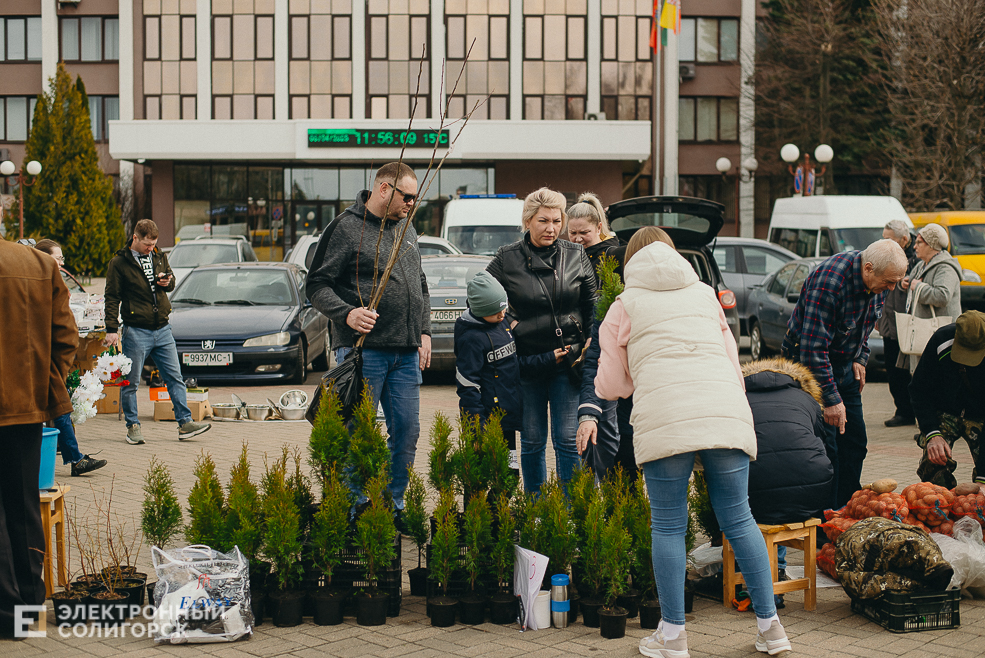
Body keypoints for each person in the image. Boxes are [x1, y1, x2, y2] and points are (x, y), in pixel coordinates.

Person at [596, 236, 790, 658]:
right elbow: (731, 361)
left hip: (666, 417)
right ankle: (771, 629)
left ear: (630, 262)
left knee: (668, 525)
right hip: (724, 408)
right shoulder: (705, 295)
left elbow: (612, 386)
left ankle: (673, 638)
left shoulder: (623, 306)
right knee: (740, 519)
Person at [306, 162, 431, 512]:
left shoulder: (407, 228)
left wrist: (424, 330)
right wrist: (347, 313)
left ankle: (393, 503)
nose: (411, 204)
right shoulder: (345, 228)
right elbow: (316, 285)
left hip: (406, 353)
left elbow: (419, 284)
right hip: (363, 354)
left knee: (407, 432)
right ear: (383, 189)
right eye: (407, 196)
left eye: (415, 198)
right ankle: (354, 505)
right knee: (356, 436)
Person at [781, 239, 907, 510]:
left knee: (855, 442)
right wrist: (830, 398)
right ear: (869, 268)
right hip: (808, 368)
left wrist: (861, 357)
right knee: (828, 450)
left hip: (843, 366)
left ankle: (847, 512)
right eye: (889, 282)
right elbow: (812, 349)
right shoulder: (829, 282)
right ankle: (823, 519)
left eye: (896, 282)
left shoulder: (879, 281)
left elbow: (866, 324)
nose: (892, 288)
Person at [486, 187, 596, 493]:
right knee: (532, 440)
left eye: (556, 221)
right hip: (528, 364)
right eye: (543, 221)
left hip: (568, 362)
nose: (551, 228)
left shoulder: (576, 254)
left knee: (567, 440)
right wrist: (510, 325)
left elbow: (593, 303)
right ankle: (536, 511)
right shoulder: (507, 258)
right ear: (527, 221)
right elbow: (480, 298)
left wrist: (590, 339)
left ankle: (571, 514)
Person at [0, 238, 78, 638]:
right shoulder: (37, 263)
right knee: (24, 504)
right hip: (24, 409)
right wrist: (44, 386)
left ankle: (6, 614)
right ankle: (28, 609)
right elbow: (67, 338)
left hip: (22, 405)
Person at [104, 219, 211, 444]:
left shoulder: (159, 256)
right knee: (131, 382)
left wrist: (167, 282)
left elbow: (170, 283)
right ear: (135, 238)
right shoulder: (119, 263)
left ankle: (185, 423)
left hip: (163, 328)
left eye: (154, 244)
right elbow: (112, 297)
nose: (150, 248)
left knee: (175, 377)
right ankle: (133, 426)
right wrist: (111, 329)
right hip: (136, 330)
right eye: (146, 245)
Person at [577, 227, 672, 480]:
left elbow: (599, 369)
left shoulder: (620, 304)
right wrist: (590, 411)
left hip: (646, 412)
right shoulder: (702, 297)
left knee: (630, 480)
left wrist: (591, 410)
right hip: (661, 414)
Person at [743, 356, 833, 606]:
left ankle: (754, 580)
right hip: (811, 492)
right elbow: (821, 442)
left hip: (756, 494)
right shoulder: (806, 398)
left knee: (747, 504)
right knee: (777, 493)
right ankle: (778, 569)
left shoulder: (739, 397)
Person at [454, 271, 565, 469]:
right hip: (486, 423)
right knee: (483, 480)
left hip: (506, 420)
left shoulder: (501, 325)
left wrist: (548, 359)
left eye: (503, 308)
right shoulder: (470, 339)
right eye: (495, 312)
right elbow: (468, 386)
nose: (502, 314)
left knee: (509, 477)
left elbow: (513, 365)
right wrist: (477, 430)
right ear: (479, 310)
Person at [34, 239, 107, 476]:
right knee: (58, 405)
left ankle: (73, 458)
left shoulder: (51, 283)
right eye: (58, 258)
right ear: (45, 259)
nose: (62, 263)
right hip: (41, 357)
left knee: (59, 407)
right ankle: (73, 459)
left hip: (45, 357)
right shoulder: (39, 285)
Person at [910, 311, 985, 488]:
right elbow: (919, 389)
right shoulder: (941, 340)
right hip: (945, 411)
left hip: (980, 415)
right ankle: (942, 506)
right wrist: (932, 433)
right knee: (932, 463)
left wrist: (983, 479)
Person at [897, 223, 963, 374]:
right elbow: (913, 283)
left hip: (941, 337)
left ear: (933, 244)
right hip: (924, 335)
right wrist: (905, 283)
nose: (914, 247)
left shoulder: (945, 267)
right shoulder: (922, 265)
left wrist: (918, 287)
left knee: (935, 380)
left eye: (920, 242)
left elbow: (942, 296)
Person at [877, 220, 918, 427]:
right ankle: (902, 409)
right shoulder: (885, 257)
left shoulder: (916, 258)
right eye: (883, 238)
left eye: (889, 239)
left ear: (904, 239)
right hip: (888, 322)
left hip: (907, 324)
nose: (885, 243)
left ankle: (909, 410)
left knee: (906, 372)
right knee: (893, 371)